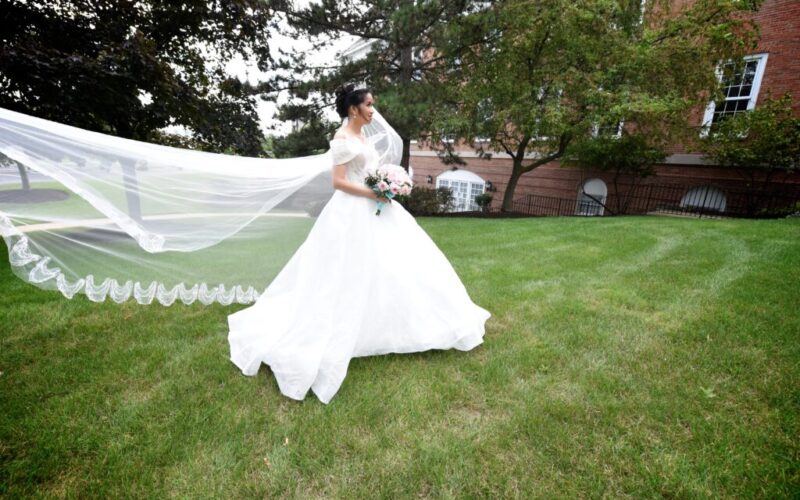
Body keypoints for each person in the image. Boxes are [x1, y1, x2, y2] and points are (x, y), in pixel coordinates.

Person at [226, 85, 492, 403]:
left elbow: (367, 170)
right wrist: (376, 192)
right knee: (347, 271)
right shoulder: (342, 140)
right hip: (350, 212)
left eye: (372, 104)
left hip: (377, 207)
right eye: (368, 105)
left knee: (399, 265)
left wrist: (388, 183)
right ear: (353, 109)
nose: (373, 110)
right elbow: (338, 181)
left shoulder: (364, 137)